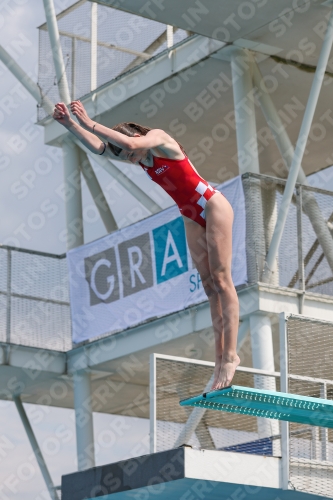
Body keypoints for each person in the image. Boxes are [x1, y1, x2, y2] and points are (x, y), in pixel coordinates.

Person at [53, 101, 240, 390]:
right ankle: (218, 360)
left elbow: (126, 141)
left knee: (222, 280)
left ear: (138, 142)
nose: (129, 157)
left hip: (211, 204)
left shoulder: (160, 140)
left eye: (130, 152)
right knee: (207, 285)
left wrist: (89, 121)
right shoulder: (139, 157)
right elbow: (101, 149)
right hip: (189, 214)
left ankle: (230, 356)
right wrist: (70, 125)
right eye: (126, 155)